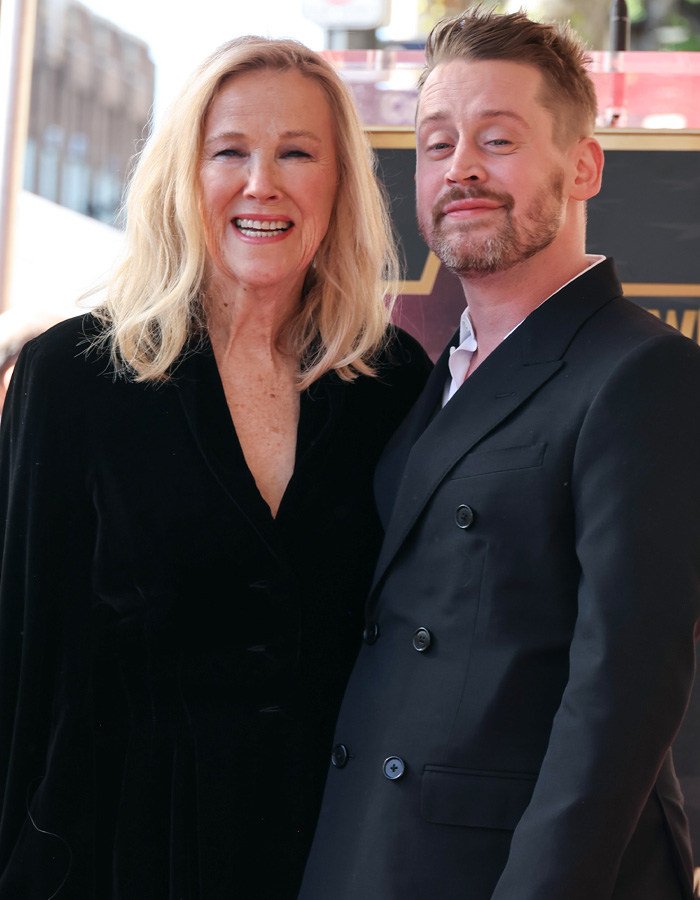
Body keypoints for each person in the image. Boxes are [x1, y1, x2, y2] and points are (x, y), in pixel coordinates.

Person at [0, 37, 432, 899]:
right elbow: (21, 655)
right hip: (113, 854)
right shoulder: (74, 378)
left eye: (297, 153)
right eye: (229, 151)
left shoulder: (393, 385)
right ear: (183, 176)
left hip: (328, 855)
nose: (260, 182)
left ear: (339, 181)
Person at [298, 10, 700, 900]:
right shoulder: (427, 379)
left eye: (499, 138)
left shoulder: (646, 372)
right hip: (375, 851)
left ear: (583, 165)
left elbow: (623, 698)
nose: (461, 169)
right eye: (437, 145)